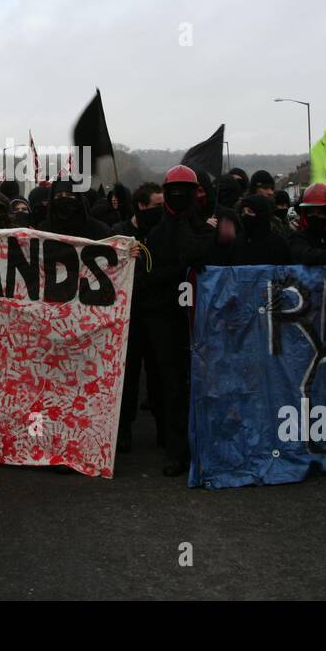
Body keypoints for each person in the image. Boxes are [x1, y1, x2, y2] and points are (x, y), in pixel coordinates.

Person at [143, 166, 213, 476]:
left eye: (187, 190)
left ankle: (203, 446)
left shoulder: (206, 230)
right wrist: (181, 268)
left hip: (202, 318)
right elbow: (148, 279)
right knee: (171, 386)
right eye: (176, 191)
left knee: (202, 384)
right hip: (166, 319)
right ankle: (176, 450)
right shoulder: (157, 235)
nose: (181, 196)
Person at [113, 182, 164, 451]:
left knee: (159, 377)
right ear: (141, 206)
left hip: (156, 317)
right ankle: (122, 433)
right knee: (127, 378)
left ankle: (164, 432)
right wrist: (122, 257)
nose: (162, 210)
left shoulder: (162, 231)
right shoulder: (119, 233)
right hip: (127, 319)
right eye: (157, 205)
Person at [41, 180, 111, 240]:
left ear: (78, 198)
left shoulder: (98, 230)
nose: (64, 199)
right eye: (59, 196)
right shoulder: (43, 231)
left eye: (69, 195)